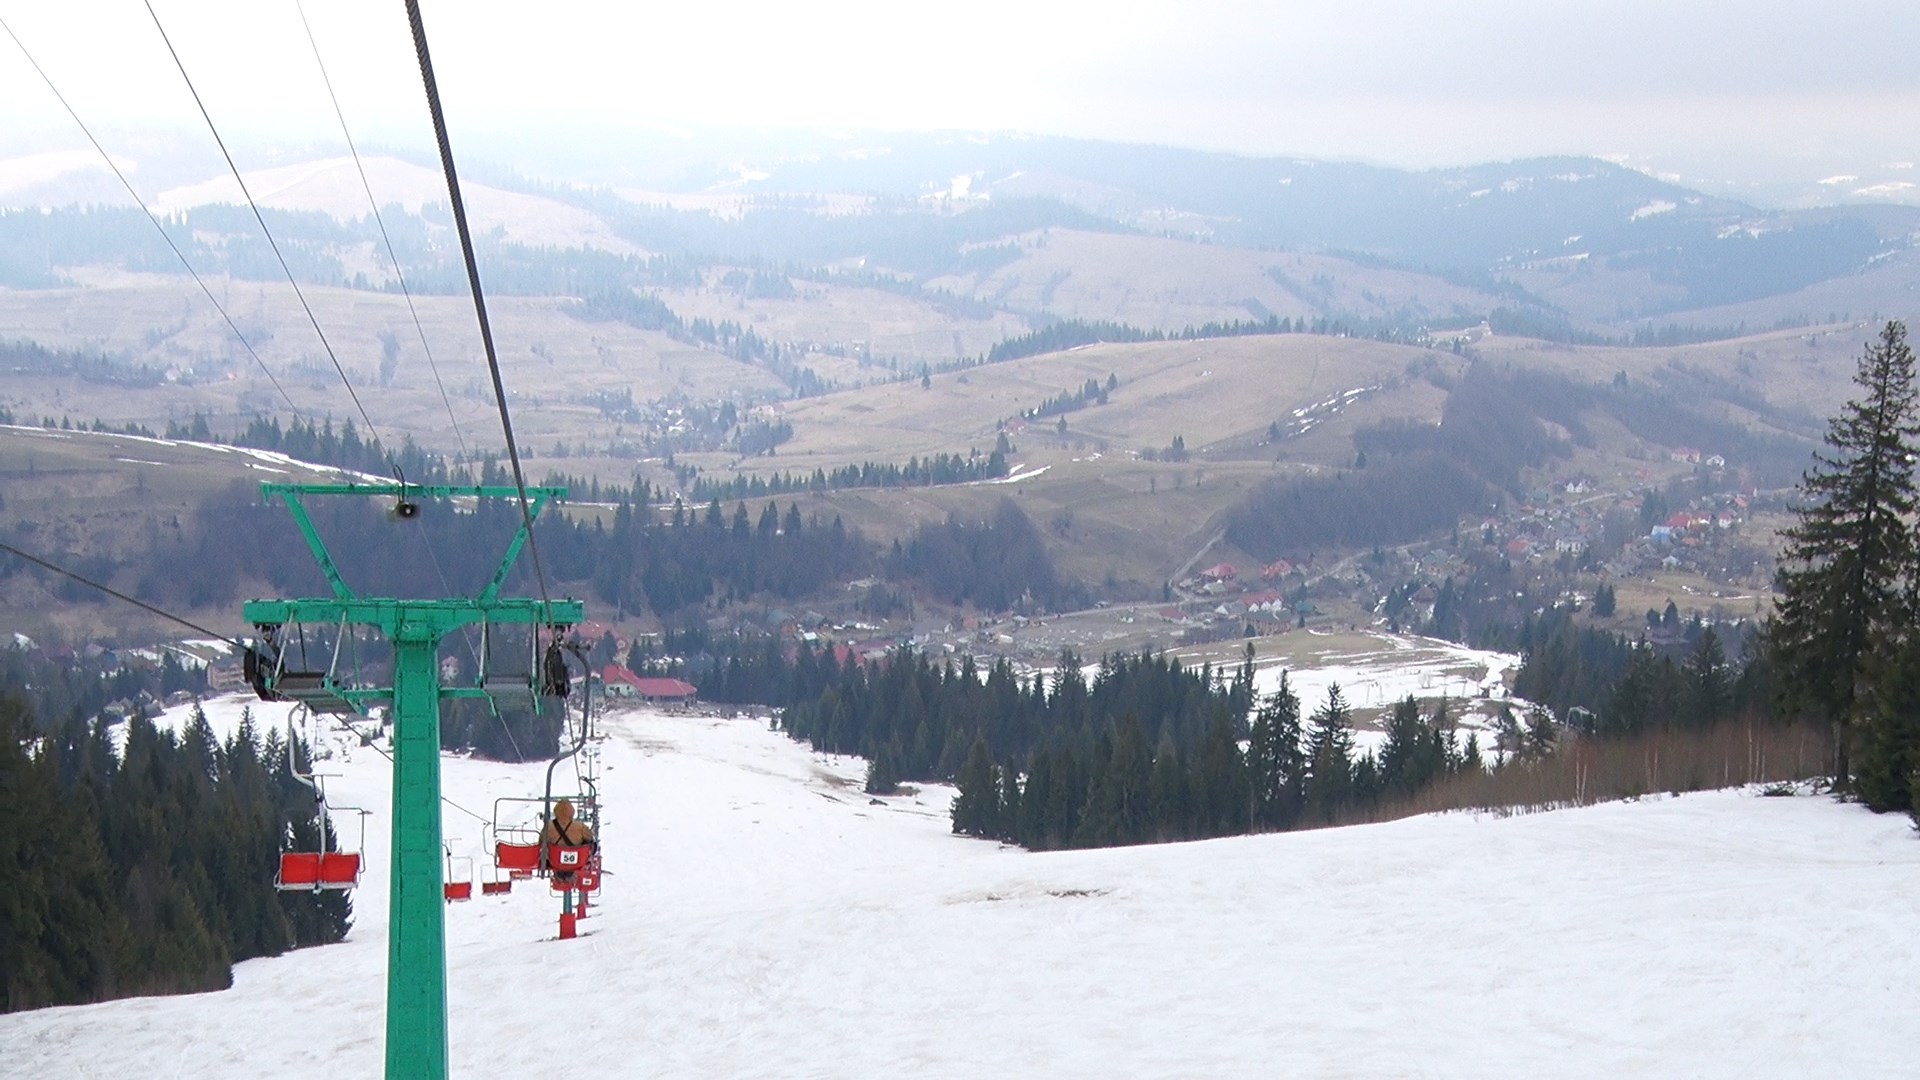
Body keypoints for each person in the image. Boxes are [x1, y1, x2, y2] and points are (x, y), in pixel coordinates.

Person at [540, 799, 594, 882]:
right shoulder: (580, 826)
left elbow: (541, 842)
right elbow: (590, 840)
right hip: (577, 862)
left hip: (555, 861)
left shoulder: (548, 827)